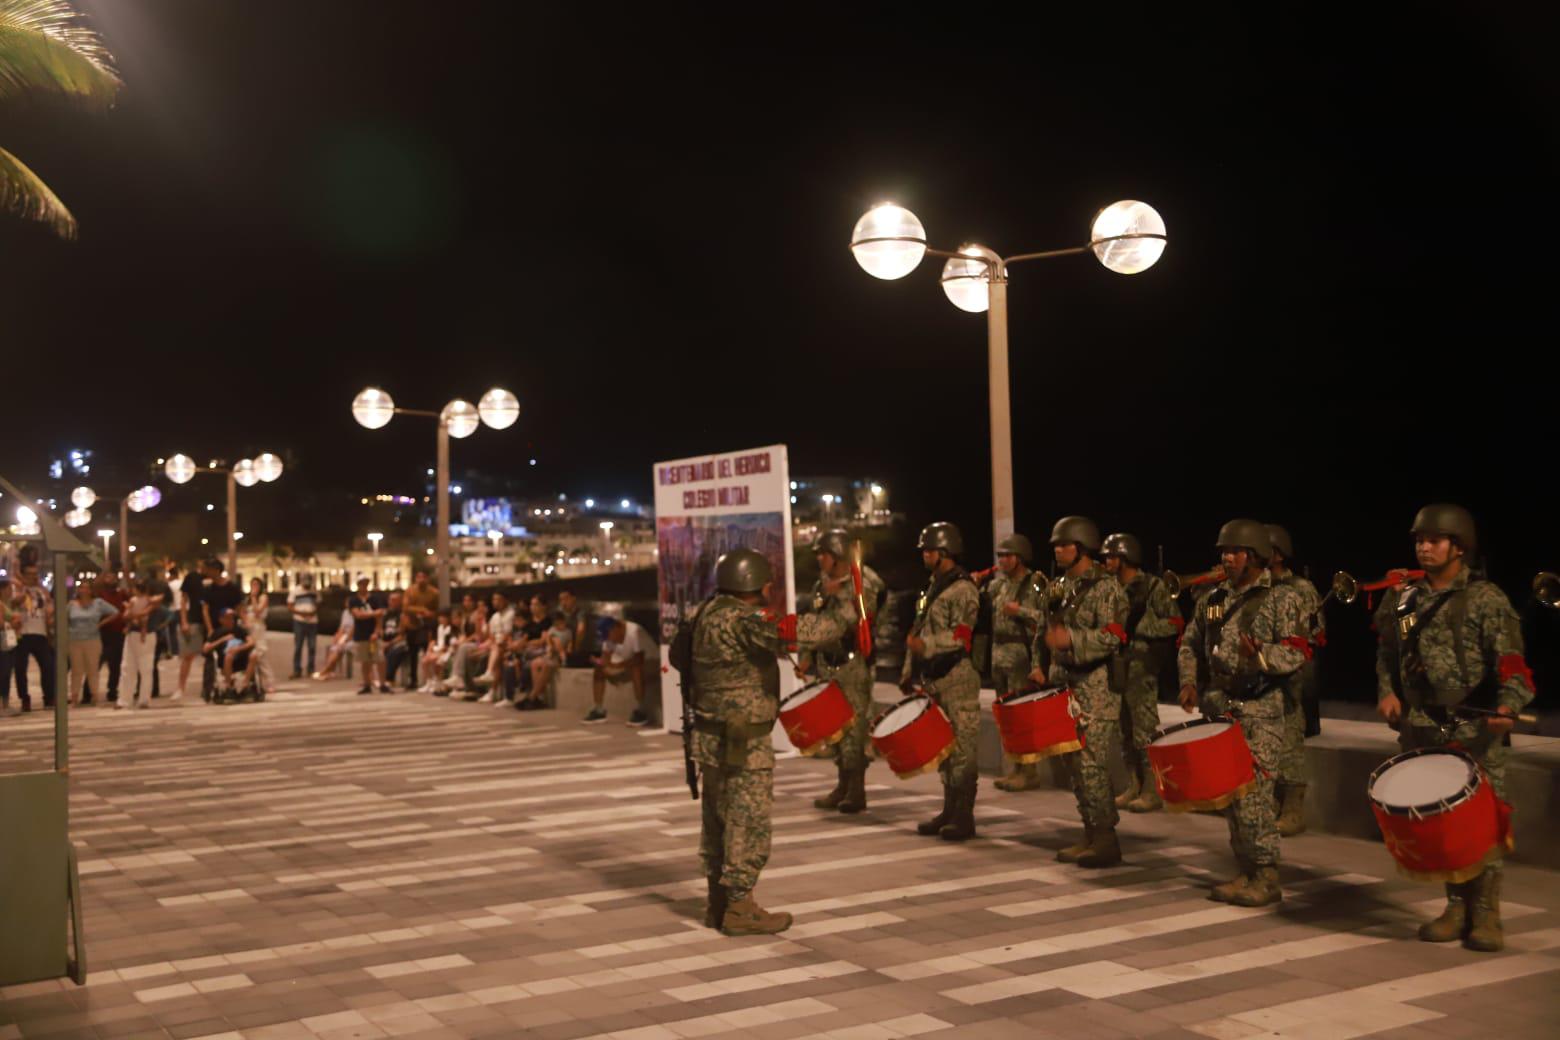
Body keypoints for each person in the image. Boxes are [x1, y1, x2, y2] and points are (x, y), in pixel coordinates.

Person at [1375, 504, 1533, 953]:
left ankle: (1486, 914)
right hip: (1422, 725)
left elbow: (1513, 664)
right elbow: (1387, 653)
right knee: (1439, 821)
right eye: (1419, 541)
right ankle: (1454, 908)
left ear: (1459, 547)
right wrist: (1387, 692)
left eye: (1434, 540)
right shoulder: (1403, 598)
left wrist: (1508, 704)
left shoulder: (1486, 599)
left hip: (1474, 726)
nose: (1424, 547)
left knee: (1480, 822)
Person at [1176, 519, 1308, 907]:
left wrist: (1263, 656)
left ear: (1254, 556)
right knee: (1231, 795)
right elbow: (1189, 643)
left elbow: (1298, 651)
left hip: (1261, 710)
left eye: (1234, 552)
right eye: (1223, 552)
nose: (1226, 558)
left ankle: (1266, 875)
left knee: (1255, 797)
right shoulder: (1213, 599)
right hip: (1221, 707)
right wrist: (1188, 681)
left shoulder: (1283, 599)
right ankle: (1245, 869)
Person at [689, 548, 793, 935]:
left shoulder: (702, 614)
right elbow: (794, 632)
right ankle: (739, 908)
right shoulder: (744, 619)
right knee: (747, 822)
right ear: (754, 583)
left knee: (717, 821)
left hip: (711, 736)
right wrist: (844, 617)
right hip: (745, 742)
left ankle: (717, 904)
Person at [1034, 517, 1130, 866]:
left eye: (1065, 544)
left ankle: (1106, 838)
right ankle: (1090, 832)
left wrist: (1071, 640)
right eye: (1056, 545)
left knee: (1091, 766)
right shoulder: (1058, 586)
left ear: (1083, 548)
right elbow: (1044, 628)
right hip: (1065, 686)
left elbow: (1113, 636)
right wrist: (1039, 664)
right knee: (1074, 765)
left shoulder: (1107, 589)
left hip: (1096, 689)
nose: (1058, 550)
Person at [795, 528, 885, 814]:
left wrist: (840, 593)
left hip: (853, 664)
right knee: (833, 727)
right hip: (828, 662)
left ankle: (856, 789)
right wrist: (806, 654)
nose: (820, 559)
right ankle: (841, 784)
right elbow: (812, 615)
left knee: (854, 730)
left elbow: (848, 620)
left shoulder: (864, 581)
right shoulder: (822, 583)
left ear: (837, 556)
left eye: (824, 554)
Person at [901, 522, 981, 842]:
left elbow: (962, 637)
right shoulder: (933, 587)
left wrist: (928, 648)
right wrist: (909, 668)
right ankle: (949, 810)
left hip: (957, 677)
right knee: (945, 750)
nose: (924, 555)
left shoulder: (963, 590)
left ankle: (964, 816)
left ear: (944, 553)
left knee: (962, 752)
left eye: (929, 550)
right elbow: (918, 630)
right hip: (935, 678)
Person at [1100, 532, 1182, 813]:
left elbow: (1174, 623)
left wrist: (1142, 630)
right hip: (1116, 666)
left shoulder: (1152, 587)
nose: (1107, 561)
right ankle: (1133, 783)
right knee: (1124, 730)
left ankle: (1152, 788)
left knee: (1144, 730)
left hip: (1142, 668)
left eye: (1112, 556)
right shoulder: (1107, 587)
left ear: (1126, 559)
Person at [976, 534, 1047, 793]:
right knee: (1006, 717)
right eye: (1000, 556)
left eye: (1007, 556)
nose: (1002, 560)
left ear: (1019, 558)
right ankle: (1014, 769)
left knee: (1021, 716)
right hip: (999, 653)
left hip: (1020, 654)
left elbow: (1046, 618)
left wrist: (1021, 612)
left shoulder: (1034, 584)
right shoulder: (1000, 585)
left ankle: (1029, 771)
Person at [1265, 524, 1322, 836]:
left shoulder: (1301, 589)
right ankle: (1271, 803)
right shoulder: (1257, 586)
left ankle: (1293, 809)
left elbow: (1312, 632)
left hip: (1292, 677)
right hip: (1262, 677)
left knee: (1290, 745)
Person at [586, 614, 653, 725]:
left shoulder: (634, 631)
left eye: (609, 636)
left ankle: (641, 710)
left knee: (636, 668)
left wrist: (618, 666)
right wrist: (600, 663)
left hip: (653, 663)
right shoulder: (610, 637)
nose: (609, 639)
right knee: (599, 670)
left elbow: (639, 659)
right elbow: (606, 657)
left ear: (615, 628)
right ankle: (599, 710)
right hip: (627, 665)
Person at [66, 579, 118, 706]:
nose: (83, 590)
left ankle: (94, 696)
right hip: (74, 640)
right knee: (76, 670)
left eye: (86, 587)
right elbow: (64, 619)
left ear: (90, 590)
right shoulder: (72, 604)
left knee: (92, 669)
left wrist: (100, 623)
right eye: (81, 587)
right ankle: (74, 697)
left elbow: (115, 612)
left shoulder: (98, 603)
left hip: (92, 639)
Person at [12, 561, 55, 710]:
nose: (33, 577)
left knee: (48, 666)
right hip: (22, 634)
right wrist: (23, 589)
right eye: (29, 574)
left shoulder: (41, 591)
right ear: (23, 575)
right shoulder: (17, 589)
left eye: (35, 574)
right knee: (20, 669)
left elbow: (49, 605)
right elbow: (13, 602)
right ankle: (25, 698)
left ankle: (49, 697)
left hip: (40, 632)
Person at [117, 578, 159, 709]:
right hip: (132, 634)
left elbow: (144, 614)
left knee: (145, 667)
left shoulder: (152, 601)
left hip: (146, 635)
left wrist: (132, 614)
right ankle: (124, 699)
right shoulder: (134, 600)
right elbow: (126, 616)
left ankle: (144, 699)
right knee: (127, 667)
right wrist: (132, 615)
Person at [522, 609, 574, 709]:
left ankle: (532, 696)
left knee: (546, 664)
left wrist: (565, 651)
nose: (558, 624)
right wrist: (550, 649)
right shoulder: (552, 630)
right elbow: (548, 643)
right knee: (534, 664)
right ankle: (538, 694)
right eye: (556, 622)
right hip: (551, 653)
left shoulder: (568, 632)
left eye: (560, 621)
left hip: (559, 655)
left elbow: (569, 645)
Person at [202, 607, 257, 697]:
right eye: (227, 618)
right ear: (221, 619)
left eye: (232, 618)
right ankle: (228, 686)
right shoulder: (216, 633)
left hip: (240, 655)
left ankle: (245, 684)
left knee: (254, 655)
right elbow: (206, 649)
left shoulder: (239, 630)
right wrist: (222, 640)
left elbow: (251, 642)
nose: (231, 620)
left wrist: (238, 648)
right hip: (224, 658)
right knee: (229, 656)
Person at [402, 570, 439, 687]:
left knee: (427, 651)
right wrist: (422, 610)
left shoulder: (434, 593)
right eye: (419, 577)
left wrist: (430, 614)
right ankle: (413, 679)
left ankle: (430, 679)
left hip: (426, 626)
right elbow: (406, 607)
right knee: (412, 653)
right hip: (412, 625)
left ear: (427, 578)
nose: (421, 580)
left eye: (423, 577)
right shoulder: (410, 591)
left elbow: (437, 610)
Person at [95, 570, 126, 705]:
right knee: (96, 663)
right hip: (102, 633)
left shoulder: (122, 594)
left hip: (118, 634)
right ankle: (88, 691)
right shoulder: (99, 595)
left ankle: (112, 690)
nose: (111, 579)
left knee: (115, 665)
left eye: (113, 577)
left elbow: (126, 608)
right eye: (108, 577)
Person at [177, 562, 208, 698]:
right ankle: (180, 688)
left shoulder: (214, 579)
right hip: (194, 619)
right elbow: (183, 600)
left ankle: (209, 687)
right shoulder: (192, 577)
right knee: (188, 655)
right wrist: (184, 621)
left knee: (210, 656)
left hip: (211, 621)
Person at [347, 578, 382, 695]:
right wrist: (373, 613)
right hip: (361, 633)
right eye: (361, 584)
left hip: (373, 634)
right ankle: (367, 683)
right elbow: (357, 615)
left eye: (365, 584)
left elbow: (379, 616)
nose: (364, 586)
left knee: (379, 658)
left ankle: (382, 683)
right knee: (364, 660)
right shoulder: (354, 600)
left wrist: (377, 631)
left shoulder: (374, 599)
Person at [288, 573, 319, 679]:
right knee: (298, 646)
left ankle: (311, 669)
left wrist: (313, 611)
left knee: (312, 646)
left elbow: (319, 603)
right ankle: (297, 670)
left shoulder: (314, 591)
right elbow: (290, 605)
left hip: (312, 622)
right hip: (299, 621)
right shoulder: (296, 591)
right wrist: (301, 613)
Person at [418, 609, 456, 693]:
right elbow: (434, 640)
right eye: (439, 617)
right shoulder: (439, 627)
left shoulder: (450, 628)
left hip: (446, 651)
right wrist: (430, 650)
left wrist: (437, 652)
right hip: (438, 649)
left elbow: (447, 645)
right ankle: (429, 682)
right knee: (424, 660)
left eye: (443, 617)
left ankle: (437, 682)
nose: (440, 619)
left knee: (435, 660)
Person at [380, 591, 410, 691]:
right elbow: (380, 629)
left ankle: (389, 679)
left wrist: (390, 643)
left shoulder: (403, 615)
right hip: (385, 642)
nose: (391, 602)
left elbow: (402, 635)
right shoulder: (386, 614)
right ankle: (377, 679)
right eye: (390, 600)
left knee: (394, 652)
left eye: (394, 600)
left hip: (399, 643)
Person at [557, 588, 590, 666]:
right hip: (561, 640)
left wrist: (576, 647)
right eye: (561, 600)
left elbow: (581, 629)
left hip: (574, 642)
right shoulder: (559, 611)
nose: (563, 602)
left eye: (566, 598)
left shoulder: (580, 612)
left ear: (573, 598)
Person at [1, 579, 19, 712]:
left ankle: (5, 703)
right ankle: (4, 704)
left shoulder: (7, 604)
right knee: (4, 673)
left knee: (6, 673)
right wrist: (13, 623)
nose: (11, 591)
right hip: (2, 643)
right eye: (9, 588)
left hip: (7, 643)